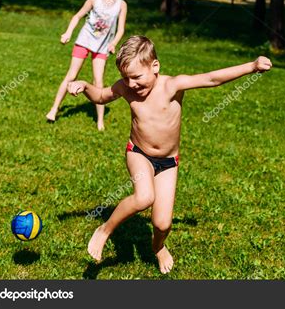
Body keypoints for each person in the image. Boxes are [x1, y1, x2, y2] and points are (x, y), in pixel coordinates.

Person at [67, 35, 272, 273]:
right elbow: (101, 96)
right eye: (126, 77)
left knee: (162, 223)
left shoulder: (172, 86)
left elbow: (212, 79)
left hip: (168, 162)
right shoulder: (125, 87)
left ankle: (158, 247)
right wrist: (84, 86)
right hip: (139, 153)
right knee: (144, 198)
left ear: (155, 67)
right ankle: (105, 230)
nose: (131, 83)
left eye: (136, 77)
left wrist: (251, 66)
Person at [46, 0, 127, 131]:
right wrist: (68, 32)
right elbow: (77, 16)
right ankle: (54, 109)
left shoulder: (121, 4)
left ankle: (100, 121)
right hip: (84, 41)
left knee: (98, 81)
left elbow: (121, 29)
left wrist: (114, 43)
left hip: (102, 46)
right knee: (72, 75)